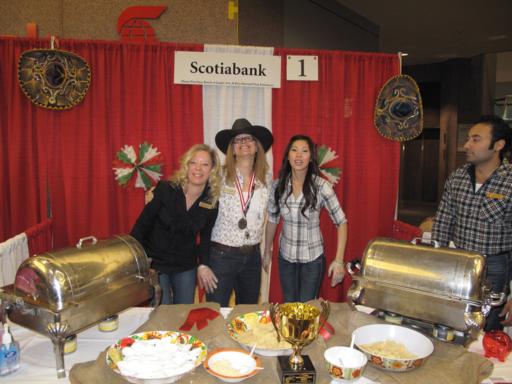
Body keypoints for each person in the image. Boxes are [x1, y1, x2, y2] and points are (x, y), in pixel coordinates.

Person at [431, 115, 512, 331]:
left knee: (487, 328)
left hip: (493, 268)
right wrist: (435, 266)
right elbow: (443, 222)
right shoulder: (457, 177)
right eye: (468, 139)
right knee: (452, 325)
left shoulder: (509, 181)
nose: (466, 145)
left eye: (476, 139)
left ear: (498, 145)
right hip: (458, 262)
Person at [130, 144, 221, 304]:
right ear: (187, 165)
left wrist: (203, 265)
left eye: (205, 164)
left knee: (183, 313)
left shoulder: (211, 200)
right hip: (156, 264)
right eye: (194, 163)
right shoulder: (166, 189)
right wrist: (141, 263)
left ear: (211, 170)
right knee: (161, 312)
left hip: (185, 265)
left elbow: (206, 237)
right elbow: (142, 226)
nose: (198, 168)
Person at [198, 118, 273, 307]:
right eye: (237, 141)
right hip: (221, 257)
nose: (243, 144)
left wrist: (266, 252)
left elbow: (274, 215)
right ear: (232, 149)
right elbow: (200, 214)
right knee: (216, 312)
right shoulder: (218, 177)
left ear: (257, 146)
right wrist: (202, 262)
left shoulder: (267, 181)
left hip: (252, 258)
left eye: (248, 139)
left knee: (247, 315)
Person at [264, 135, 348, 302]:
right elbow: (272, 220)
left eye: (304, 151)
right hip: (285, 257)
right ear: (288, 156)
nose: (298, 155)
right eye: (294, 150)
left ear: (311, 158)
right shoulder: (277, 186)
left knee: (307, 307)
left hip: (312, 259)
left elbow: (341, 222)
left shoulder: (322, 186)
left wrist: (339, 261)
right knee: (289, 304)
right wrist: (267, 251)